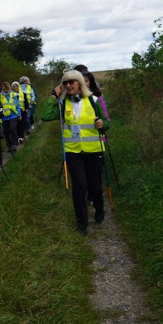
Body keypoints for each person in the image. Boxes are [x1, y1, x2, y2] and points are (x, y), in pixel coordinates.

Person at [38, 69, 106, 235]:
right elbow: (45, 115)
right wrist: (54, 95)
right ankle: (82, 223)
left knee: (95, 186)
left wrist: (102, 124)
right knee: (80, 186)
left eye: (72, 82)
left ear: (79, 84)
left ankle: (99, 207)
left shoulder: (93, 100)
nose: (68, 85)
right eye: (65, 82)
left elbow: (107, 124)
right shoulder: (62, 104)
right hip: (73, 151)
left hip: (93, 149)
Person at [0, 81, 21, 154]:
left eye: (7, 89)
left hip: (13, 115)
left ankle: (14, 144)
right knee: (6, 132)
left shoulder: (13, 95)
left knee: (12, 129)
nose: (6, 90)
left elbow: (17, 105)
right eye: (4, 89)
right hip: (4, 117)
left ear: (9, 88)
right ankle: (9, 146)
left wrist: (19, 114)